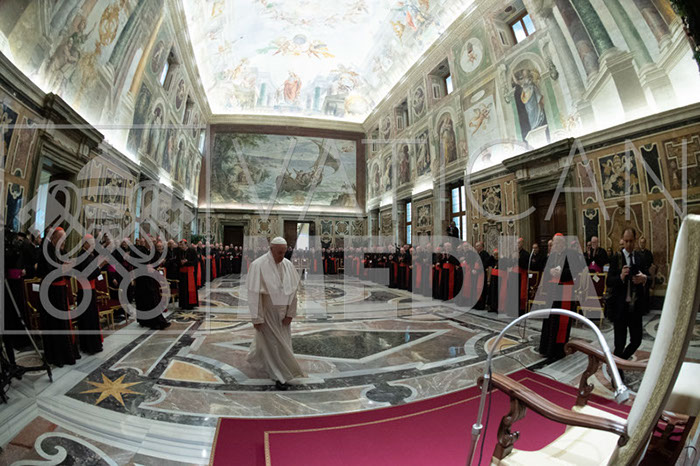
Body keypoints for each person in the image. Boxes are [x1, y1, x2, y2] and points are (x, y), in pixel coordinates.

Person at [246, 237, 305, 390]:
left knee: (282, 342)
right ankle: (279, 375)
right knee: (273, 344)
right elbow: (254, 295)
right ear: (271, 249)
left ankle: (261, 360)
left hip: (284, 312)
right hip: (268, 312)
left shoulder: (288, 265)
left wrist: (290, 314)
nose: (282, 256)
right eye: (279, 252)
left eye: (284, 252)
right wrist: (257, 318)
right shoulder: (258, 265)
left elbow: (294, 292)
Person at [607, 228, 649, 366]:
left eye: (631, 241)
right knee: (619, 343)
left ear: (635, 240)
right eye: (626, 241)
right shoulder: (616, 258)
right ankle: (617, 371)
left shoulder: (640, 257)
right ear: (622, 241)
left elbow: (649, 278)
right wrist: (620, 277)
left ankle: (620, 362)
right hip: (620, 308)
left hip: (635, 308)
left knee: (636, 340)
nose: (629, 244)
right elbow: (609, 281)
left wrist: (644, 279)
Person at [538, 233, 576, 361]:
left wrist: (559, 272)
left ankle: (558, 351)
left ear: (563, 243)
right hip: (553, 291)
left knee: (560, 321)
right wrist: (550, 271)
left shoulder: (571, 255)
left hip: (564, 291)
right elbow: (545, 268)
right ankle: (547, 349)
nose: (556, 245)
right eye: (554, 243)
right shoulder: (552, 255)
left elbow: (574, 271)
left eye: (558, 243)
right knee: (550, 320)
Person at [73, 235, 104, 354]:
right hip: (86, 291)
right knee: (88, 319)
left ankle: (93, 344)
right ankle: (90, 346)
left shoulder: (88, 255)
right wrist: (100, 266)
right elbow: (88, 274)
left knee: (91, 318)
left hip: (90, 290)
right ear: (85, 244)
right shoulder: (82, 256)